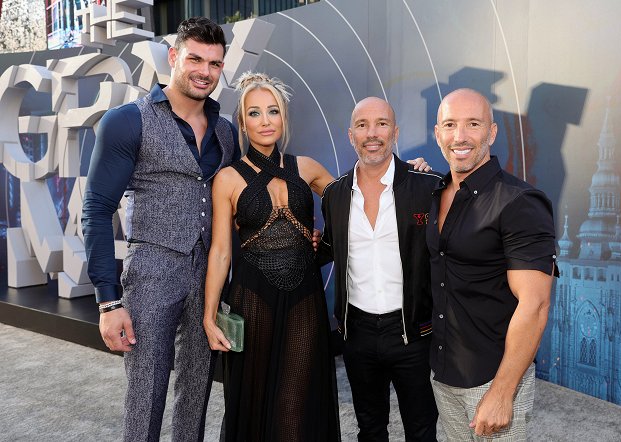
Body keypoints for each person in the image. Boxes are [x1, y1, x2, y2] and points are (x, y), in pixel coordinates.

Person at [82, 17, 240, 441]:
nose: (204, 71)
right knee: (145, 392)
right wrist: (107, 302)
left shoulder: (226, 131)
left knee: (198, 388)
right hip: (152, 271)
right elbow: (96, 210)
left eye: (214, 63)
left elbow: (243, 204)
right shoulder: (127, 120)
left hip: (209, 276)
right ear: (173, 57)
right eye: (195, 58)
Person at [203, 72, 341, 441]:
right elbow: (220, 252)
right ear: (242, 123)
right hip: (252, 301)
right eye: (254, 113)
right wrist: (209, 315)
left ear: (283, 118)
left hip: (304, 302)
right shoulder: (228, 179)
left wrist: (323, 243)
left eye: (273, 111)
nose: (265, 120)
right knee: (254, 397)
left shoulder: (308, 168)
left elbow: (356, 202)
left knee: (295, 401)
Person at [427, 88, 558, 440]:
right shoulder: (436, 192)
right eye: (450, 125)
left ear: (492, 132)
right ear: (437, 133)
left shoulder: (519, 202)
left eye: (473, 124)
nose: (460, 136)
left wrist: (502, 392)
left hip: (492, 378)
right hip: (444, 372)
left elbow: (536, 304)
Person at [319, 97, 440, 441]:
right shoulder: (335, 195)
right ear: (350, 135)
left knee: (421, 429)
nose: (372, 133)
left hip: (412, 334)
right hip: (357, 335)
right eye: (362, 125)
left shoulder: (427, 188)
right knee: (370, 429)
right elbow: (327, 248)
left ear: (395, 132)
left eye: (382, 124)